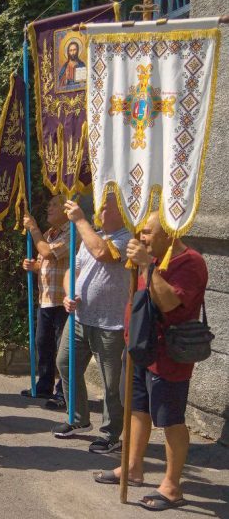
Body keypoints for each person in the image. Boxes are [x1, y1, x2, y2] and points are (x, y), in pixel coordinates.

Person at [93, 211, 208, 511]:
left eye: (147, 232)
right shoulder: (153, 257)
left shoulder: (190, 262)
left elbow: (169, 302)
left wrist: (146, 265)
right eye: (141, 232)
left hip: (169, 353)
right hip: (140, 348)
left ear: (170, 233)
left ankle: (171, 486)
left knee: (169, 419)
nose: (142, 237)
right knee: (138, 409)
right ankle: (132, 468)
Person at [55, 194, 131, 454]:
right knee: (65, 363)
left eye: (107, 206)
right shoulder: (91, 235)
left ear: (123, 212)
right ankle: (78, 419)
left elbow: (102, 253)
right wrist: (68, 293)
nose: (101, 210)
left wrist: (79, 220)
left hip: (111, 323)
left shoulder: (127, 239)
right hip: (79, 317)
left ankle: (112, 434)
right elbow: (71, 272)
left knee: (112, 384)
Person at [20, 195, 72, 409]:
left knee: (63, 349)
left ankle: (64, 394)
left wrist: (33, 228)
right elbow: (44, 261)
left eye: (54, 205)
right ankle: (44, 385)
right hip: (47, 298)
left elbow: (48, 253)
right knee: (43, 343)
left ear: (66, 210)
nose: (49, 208)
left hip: (64, 300)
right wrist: (33, 266)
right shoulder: (50, 234)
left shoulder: (71, 232)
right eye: (48, 204)